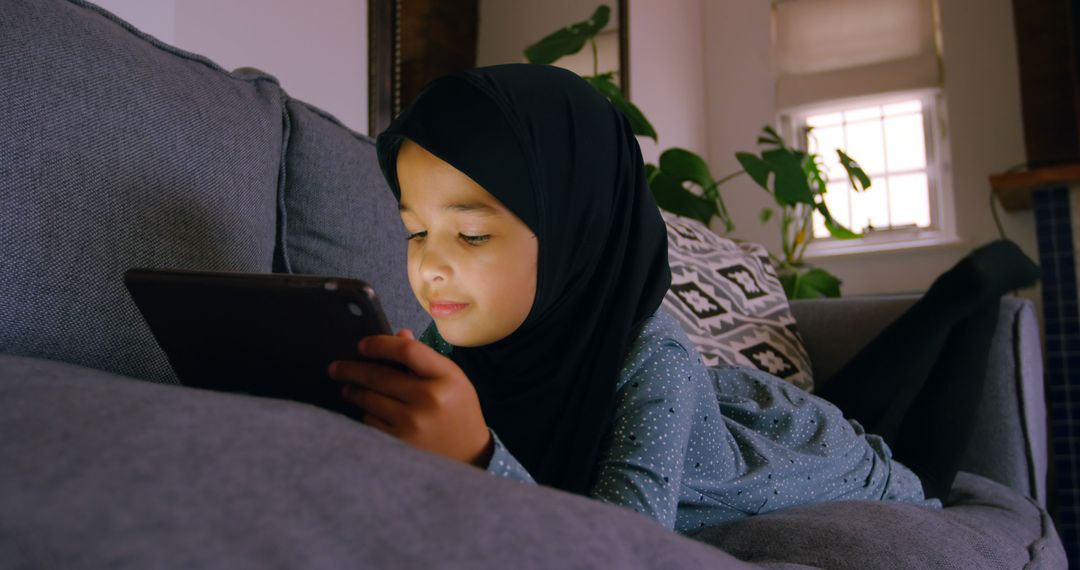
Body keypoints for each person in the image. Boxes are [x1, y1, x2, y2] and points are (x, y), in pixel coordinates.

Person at [327, 63, 1040, 535]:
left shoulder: (655, 359)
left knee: (916, 470)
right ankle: (960, 294)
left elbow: (629, 543)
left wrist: (480, 455)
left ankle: (969, 292)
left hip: (814, 458)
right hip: (733, 413)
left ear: (580, 234)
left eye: (472, 236)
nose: (431, 269)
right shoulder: (453, 334)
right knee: (854, 404)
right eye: (416, 232)